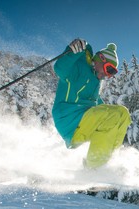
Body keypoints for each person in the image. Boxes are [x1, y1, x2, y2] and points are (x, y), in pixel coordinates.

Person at [52, 38, 131, 168]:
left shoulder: (95, 80)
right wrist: (73, 52)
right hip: (69, 118)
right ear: (100, 59)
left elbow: (98, 104)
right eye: (108, 69)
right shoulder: (78, 67)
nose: (106, 75)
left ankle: (107, 162)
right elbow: (60, 68)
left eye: (110, 73)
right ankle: (94, 167)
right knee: (113, 115)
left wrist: (112, 114)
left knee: (123, 114)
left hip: (84, 120)